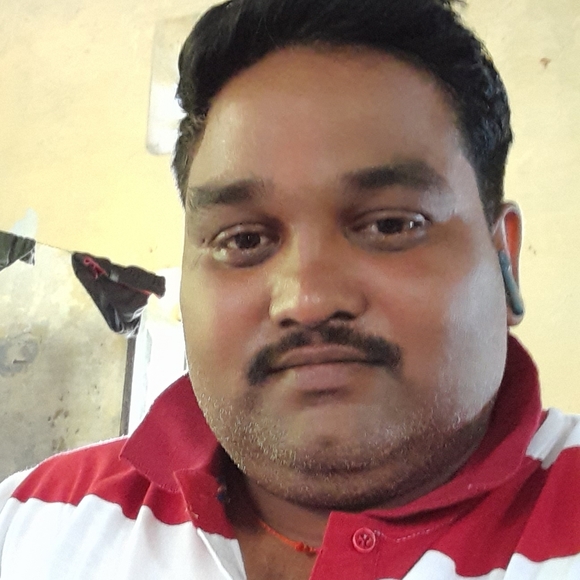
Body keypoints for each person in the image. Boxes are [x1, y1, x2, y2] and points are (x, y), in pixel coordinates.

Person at [1, 0, 579, 578]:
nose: (307, 301)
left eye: (390, 226)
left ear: (505, 259)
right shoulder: (26, 524)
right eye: (244, 239)